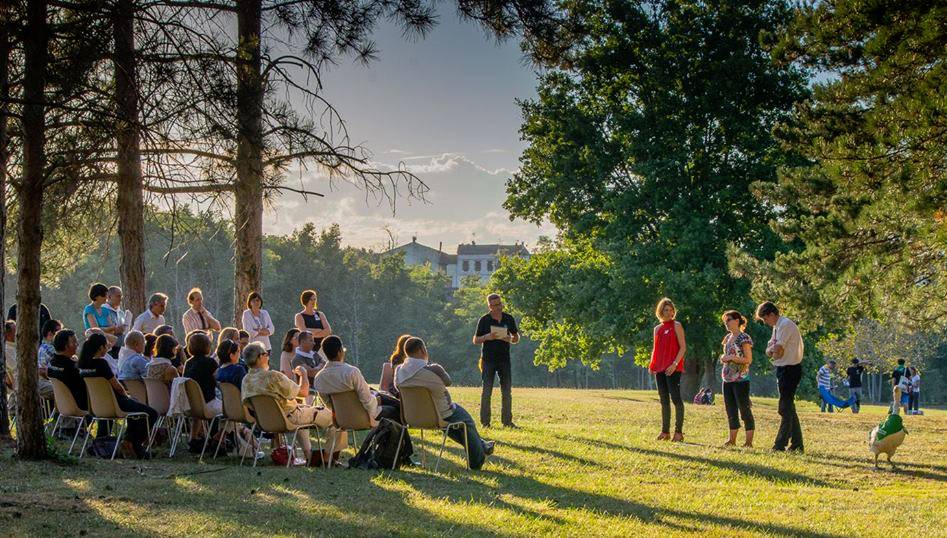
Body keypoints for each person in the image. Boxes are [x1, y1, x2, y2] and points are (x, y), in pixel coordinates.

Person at [240, 342, 346, 465]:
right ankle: (328, 458)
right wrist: (303, 374)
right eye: (266, 354)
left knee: (303, 413)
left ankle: (309, 456)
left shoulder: (246, 380)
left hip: (265, 422)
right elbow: (303, 392)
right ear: (260, 357)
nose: (268, 356)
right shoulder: (273, 376)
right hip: (290, 417)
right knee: (337, 420)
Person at [395, 337, 494, 469]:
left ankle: (482, 445)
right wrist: (438, 368)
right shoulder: (433, 370)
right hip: (440, 414)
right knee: (466, 423)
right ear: (422, 350)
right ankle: (477, 461)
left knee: (456, 427)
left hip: (412, 417)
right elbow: (447, 382)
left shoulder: (399, 372)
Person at [78, 332, 158, 457]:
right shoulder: (101, 363)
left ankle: (121, 443)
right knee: (151, 413)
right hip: (116, 402)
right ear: (100, 348)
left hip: (97, 405)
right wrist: (127, 396)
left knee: (135, 409)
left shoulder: (82, 366)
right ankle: (131, 442)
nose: (108, 348)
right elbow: (117, 386)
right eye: (106, 346)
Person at [314, 335, 400, 425]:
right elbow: (367, 400)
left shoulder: (319, 377)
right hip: (364, 416)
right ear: (340, 351)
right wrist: (376, 401)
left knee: (378, 394)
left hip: (341, 419)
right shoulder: (351, 372)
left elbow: (328, 404)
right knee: (395, 410)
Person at [756, 301, 804, 453]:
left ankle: (780, 444)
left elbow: (778, 351)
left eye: (765, 319)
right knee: (789, 407)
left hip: (790, 369)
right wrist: (772, 351)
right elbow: (769, 349)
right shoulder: (777, 326)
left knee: (784, 408)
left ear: (771, 314)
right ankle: (797, 444)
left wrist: (773, 351)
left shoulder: (785, 325)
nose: (766, 323)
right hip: (783, 368)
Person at [472, 293, 520, 428]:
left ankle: (507, 422)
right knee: (487, 391)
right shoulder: (484, 320)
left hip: (504, 359)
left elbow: (516, 338)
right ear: (489, 306)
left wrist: (510, 339)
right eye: (495, 305)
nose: (498, 307)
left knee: (506, 391)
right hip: (488, 360)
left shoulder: (508, 318)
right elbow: (475, 340)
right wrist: (487, 337)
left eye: (499, 304)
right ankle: (485, 423)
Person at [648, 298, 686, 442]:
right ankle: (665, 432)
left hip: (673, 369)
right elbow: (655, 349)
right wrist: (652, 365)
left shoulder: (677, 325)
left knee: (676, 399)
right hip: (660, 368)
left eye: (671, 310)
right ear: (660, 311)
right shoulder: (657, 329)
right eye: (666, 310)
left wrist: (675, 364)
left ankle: (679, 432)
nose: (669, 313)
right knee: (664, 400)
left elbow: (683, 347)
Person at [719, 310, 754, 448]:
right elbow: (726, 354)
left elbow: (748, 359)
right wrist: (723, 358)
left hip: (741, 379)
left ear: (737, 321)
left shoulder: (744, 338)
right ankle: (732, 440)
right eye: (725, 321)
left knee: (744, 409)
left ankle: (748, 442)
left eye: (728, 320)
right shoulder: (727, 338)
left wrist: (732, 358)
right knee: (730, 410)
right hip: (727, 379)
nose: (726, 323)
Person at [182, 331, 222, 415]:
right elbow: (219, 380)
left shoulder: (188, 363)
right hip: (208, 403)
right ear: (207, 346)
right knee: (230, 408)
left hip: (191, 405)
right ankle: (235, 428)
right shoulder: (210, 362)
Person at [47, 329, 86, 411]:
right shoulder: (71, 367)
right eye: (74, 342)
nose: (77, 344)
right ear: (66, 346)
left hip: (62, 407)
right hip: (80, 406)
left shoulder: (51, 364)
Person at [294, 289, 332, 355]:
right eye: (311, 300)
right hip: (308, 350)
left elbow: (328, 331)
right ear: (305, 301)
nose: (313, 301)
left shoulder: (320, 314)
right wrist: (319, 330)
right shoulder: (299, 316)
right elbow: (304, 333)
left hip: (322, 349)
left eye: (315, 299)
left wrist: (312, 332)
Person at [36, 319, 62, 399]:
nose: (61, 336)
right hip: (47, 383)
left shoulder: (43, 347)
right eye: (59, 332)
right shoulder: (50, 349)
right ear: (50, 334)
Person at [105, 286, 132, 356]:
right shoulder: (103, 311)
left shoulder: (121, 312)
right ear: (109, 297)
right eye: (118, 296)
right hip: (109, 348)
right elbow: (100, 330)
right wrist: (116, 330)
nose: (120, 299)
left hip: (121, 348)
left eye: (121, 296)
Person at [3, 321, 16, 390]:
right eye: (15, 331)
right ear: (8, 334)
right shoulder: (7, 349)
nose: (17, 333)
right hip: (18, 386)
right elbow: (16, 369)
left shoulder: (14, 346)